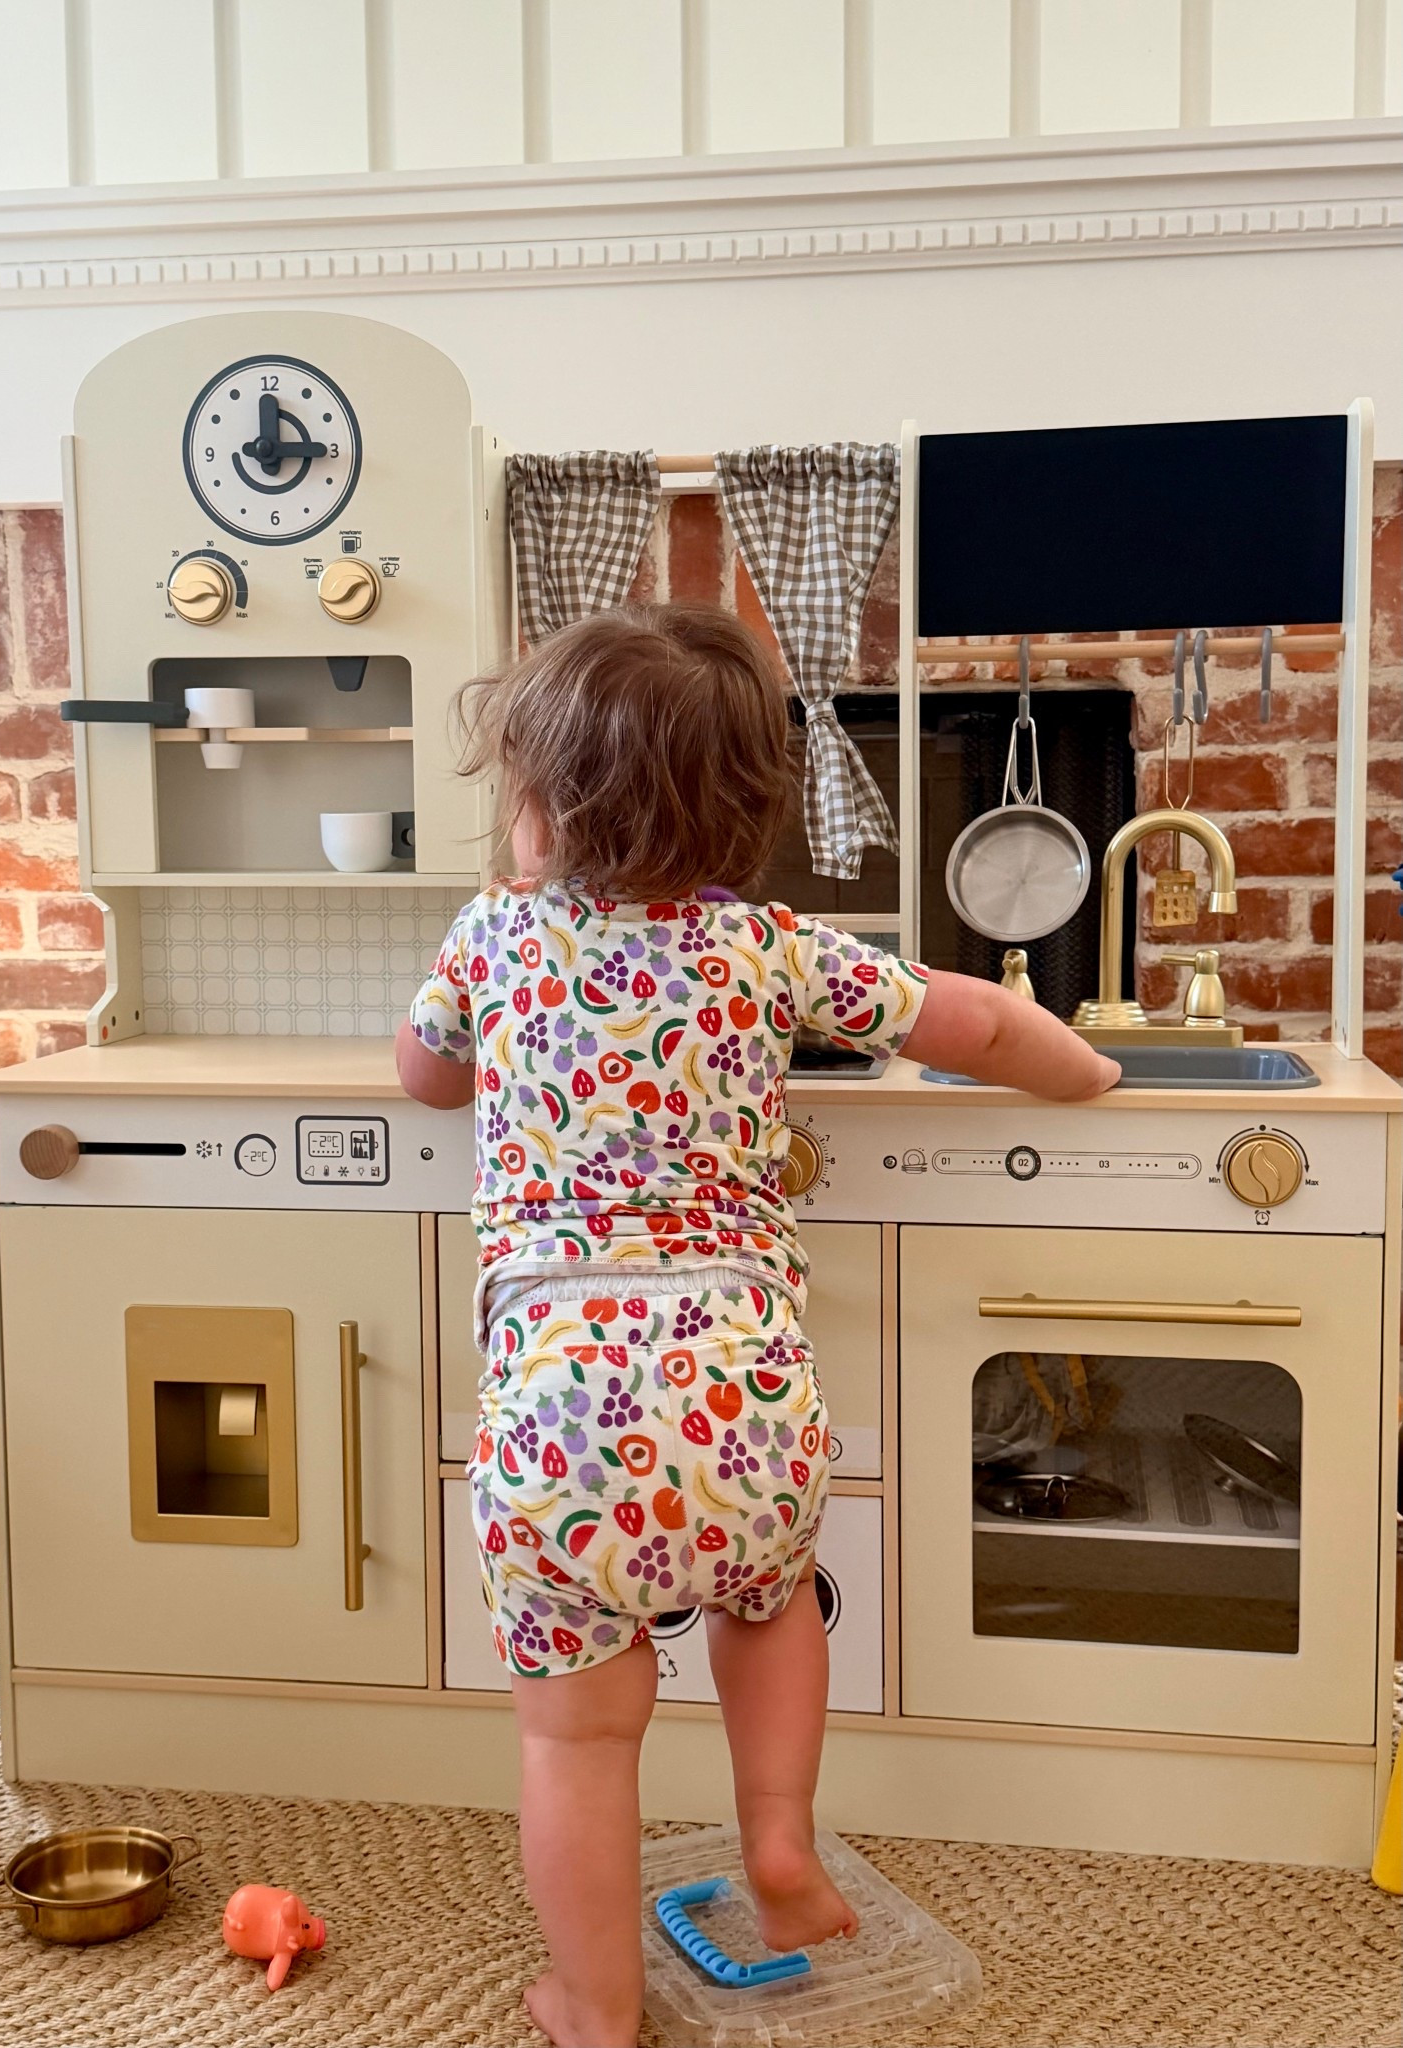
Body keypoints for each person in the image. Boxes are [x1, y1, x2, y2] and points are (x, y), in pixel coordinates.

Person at [397, 604, 1119, 2048]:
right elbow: (979, 1025)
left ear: (543, 807)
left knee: (576, 1739)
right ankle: (779, 1848)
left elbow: (422, 1077)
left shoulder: (493, 936)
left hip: (559, 1421)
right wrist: (1091, 1071)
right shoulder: (768, 945)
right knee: (770, 1601)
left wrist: (477, 1034)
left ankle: (593, 2004)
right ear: (738, 812)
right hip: (747, 1399)